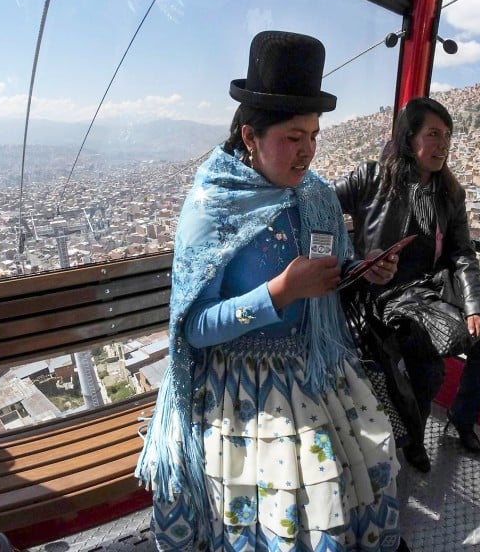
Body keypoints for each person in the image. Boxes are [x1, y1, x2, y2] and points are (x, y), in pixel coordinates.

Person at [135, 30, 406, 552]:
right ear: (249, 137)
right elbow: (194, 326)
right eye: (292, 138)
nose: (307, 153)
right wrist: (279, 293)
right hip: (236, 378)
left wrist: (360, 271)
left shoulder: (316, 196)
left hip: (309, 362)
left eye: (313, 136)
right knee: (296, 485)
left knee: (367, 453)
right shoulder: (213, 206)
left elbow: (329, 269)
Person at [334, 96, 480, 471]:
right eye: (433, 134)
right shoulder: (371, 178)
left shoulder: (450, 194)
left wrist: (476, 304)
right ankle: (414, 437)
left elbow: (462, 253)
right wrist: (355, 264)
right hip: (380, 296)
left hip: (429, 291)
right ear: (408, 138)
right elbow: (319, 210)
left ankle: (461, 421)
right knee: (429, 368)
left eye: (447, 135)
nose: (443, 144)